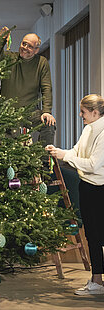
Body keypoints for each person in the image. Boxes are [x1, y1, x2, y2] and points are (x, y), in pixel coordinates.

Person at [45, 94, 104, 295]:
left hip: (99, 189)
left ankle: (98, 281)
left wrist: (66, 156)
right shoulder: (89, 129)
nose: (81, 115)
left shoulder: (103, 132)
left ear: (95, 112)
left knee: (99, 235)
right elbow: (77, 152)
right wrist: (60, 152)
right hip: (87, 186)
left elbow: (93, 164)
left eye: (84, 112)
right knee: (92, 236)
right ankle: (97, 281)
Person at [0, 27, 56, 146]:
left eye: (30, 46)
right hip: (7, 111)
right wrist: (2, 38)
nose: (25, 48)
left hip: (30, 112)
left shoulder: (41, 62)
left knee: (49, 124)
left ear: (36, 50)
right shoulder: (9, 58)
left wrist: (47, 111)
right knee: (6, 140)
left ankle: (44, 162)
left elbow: (46, 88)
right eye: (24, 44)